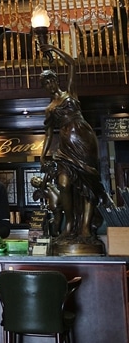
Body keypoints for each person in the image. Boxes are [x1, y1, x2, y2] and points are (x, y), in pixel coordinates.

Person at [39, 43, 110, 240]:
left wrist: (53, 48)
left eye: (49, 81)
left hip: (84, 139)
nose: (48, 86)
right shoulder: (49, 109)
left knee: (88, 184)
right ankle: (69, 224)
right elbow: (47, 134)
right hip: (65, 147)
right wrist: (43, 155)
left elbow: (71, 64)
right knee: (63, 184)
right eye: (44, 84)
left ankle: (86, 227)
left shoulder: (70, 92)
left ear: (55, 80)